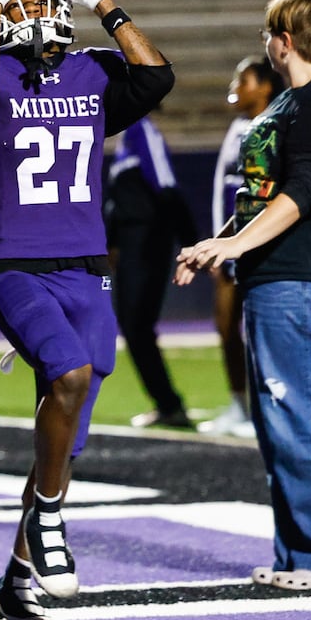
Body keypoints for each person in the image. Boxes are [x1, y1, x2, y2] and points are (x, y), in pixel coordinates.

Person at [0, 0, 173, 620]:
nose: (38, 10)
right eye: (24, 0)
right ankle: (49, 519)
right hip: (17, 264)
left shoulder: (93, 71)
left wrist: (106, 2)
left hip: (87, 269)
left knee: (63, 447)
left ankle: (16, 576)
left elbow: (157, 78)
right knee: (67, 377)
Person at [176, 0, 311, 590]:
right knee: (281, 421)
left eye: (268, 35)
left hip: (307, 280)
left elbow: (303, 191)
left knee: (303, 417)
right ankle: (299, 553)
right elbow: (265, 197)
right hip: (285, 278)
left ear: (283, 41)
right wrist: (218, 243)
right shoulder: (300, 100)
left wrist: (235, 245)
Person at [199, 56, 283, 438]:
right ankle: (238, 403)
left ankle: (272, 407)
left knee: (268, 330)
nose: (235, 84)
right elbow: (223, 189)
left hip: (266, 244)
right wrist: (220, 243)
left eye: (244, 78)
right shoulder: (236, 130)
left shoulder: (279, 125)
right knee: (226, 325)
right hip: (233, 245)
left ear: (265, 86)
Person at [109, 115, 199, 429]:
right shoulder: (128, 137)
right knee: (135, 327)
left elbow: (166, 185)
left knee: (137, 325)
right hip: (134, 247)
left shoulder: (140, 129)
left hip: (147, 246)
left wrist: (192, 244)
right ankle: (167, 404)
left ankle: (170, 405)